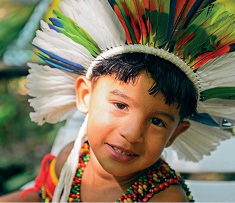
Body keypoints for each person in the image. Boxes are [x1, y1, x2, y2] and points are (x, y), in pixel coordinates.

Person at [0, 0, 234, 202]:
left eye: (156, 121)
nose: (132, 133)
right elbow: (42, 197)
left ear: (174, 134)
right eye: (120, 105)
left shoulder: (163, 198)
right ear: (85, 95)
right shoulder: (72, 160)